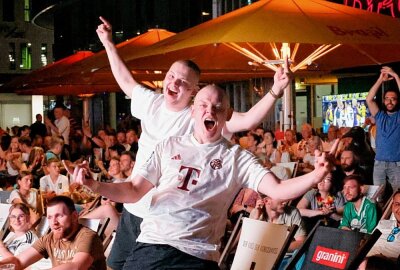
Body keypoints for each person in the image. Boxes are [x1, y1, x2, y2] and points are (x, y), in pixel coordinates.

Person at [96, 16, 295, 270]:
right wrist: (108, 43)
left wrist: (275, 90)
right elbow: (125, 80)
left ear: (193, 91)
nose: (173, 84)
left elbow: (246, 121)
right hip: (137, 205)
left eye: (182, 82)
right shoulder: (152, 102)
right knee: (115, 265)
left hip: (170, 223)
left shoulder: (200, 115)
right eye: (171, 77)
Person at [74, 84, 336, 269]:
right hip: (152, 246)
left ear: (225, 116)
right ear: (193, 112)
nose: (209, 110)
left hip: (196, 255)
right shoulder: (168, 145)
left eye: (217, 106)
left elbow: (277, 189)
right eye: (203, 104)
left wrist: (316, 175)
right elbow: (133, 190)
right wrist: (94, 184)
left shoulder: (237, 157)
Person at [0, 196, 106, 270]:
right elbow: (18, 262)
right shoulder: (49, 239)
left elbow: (76, 266)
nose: (54, 223)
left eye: (59, 216)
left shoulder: (87, 236)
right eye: (50, 217)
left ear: (74, 216)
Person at [366, 66, 400, 190]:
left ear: (397, 101)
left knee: (398, 195)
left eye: (393, 99)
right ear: (383, 100)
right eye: (387, 99)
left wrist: (396, 76)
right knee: (377, 196)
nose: (389, 102)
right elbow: (369, 99)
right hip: (379, 162)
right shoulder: (380, 116)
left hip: (397, 164)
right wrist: (381, 79)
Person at [359, 190, 400, 269]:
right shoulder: (383, 224)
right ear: (392, 207)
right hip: (362, 263)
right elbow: (367, 243)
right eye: (397, 204)